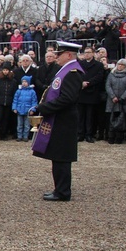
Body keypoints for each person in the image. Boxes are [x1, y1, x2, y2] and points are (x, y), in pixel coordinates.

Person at [32, 41, 85, 201]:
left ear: (69, 55)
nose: (56, 57)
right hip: (59, 119)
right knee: (57, 156)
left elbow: (67, 99)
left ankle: (63, 192)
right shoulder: (65, 71)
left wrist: (44, 108)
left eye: (59, 54)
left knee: (62, 157)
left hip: (64, 121)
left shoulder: (73, 72)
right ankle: (59, 189)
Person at [105, 59, 126, 144]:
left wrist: (123, 97)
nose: (120, 66)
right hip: (112, 100)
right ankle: (111, 136)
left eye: (122, 65)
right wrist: (113, 96)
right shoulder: (112, 74)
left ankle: (119, 137)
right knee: (112, 118)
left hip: (123, 101)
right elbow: (108, 85)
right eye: (119, 64)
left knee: (122, 119)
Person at [12, 76, 38, 141]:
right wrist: (14, 108)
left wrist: (32, 109)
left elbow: (34, 102)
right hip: (19, 109)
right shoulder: (18, 91)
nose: (24, 83)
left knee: (27, 125)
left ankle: (25, 136)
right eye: (23, 81)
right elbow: (15, 100)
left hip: (28, 110)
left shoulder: (32, 92)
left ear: (28, 83)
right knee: (19, 124)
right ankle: (19, 136)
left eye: (25, 82)